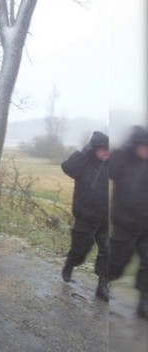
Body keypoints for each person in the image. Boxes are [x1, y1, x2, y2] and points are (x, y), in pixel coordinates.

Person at [60, 131, 110, 301]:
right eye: (103, 149)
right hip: (86, 216)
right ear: (94, 149)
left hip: (106, 217)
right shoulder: (83, 164)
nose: (106, 153)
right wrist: (84, 151)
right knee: (81, 249)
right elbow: (67, 167)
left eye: (109, 150)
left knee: (108, 250)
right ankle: (70, 263)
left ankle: (102, 286)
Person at [108, 126, 148, 318]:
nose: (146, 150)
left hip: (146, 226)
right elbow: (110, 169)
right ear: (134, 145)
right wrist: (124, 150)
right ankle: (104, 282)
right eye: (143, 146)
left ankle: (144, 303)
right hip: (124, 224)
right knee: (117, 263)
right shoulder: (122, 161)